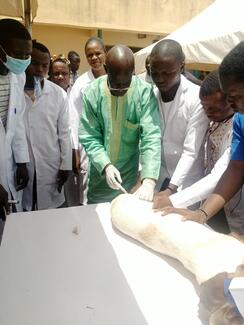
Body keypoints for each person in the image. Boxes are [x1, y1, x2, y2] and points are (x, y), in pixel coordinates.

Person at [158, 41, 244, 235]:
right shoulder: (241, 120)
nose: (232, 104)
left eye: (235, 96)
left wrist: (175, 198)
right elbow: (235, 168)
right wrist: (202, 214)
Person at [79, 45, 161, 204]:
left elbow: (150, 137)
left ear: (133, 73)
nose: (120, 91)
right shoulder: (92, 93)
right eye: (116, 85)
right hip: (100, 179)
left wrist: (149, 179)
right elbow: (89, 137)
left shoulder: (144, 93)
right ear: (106, 70)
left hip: (129, 181)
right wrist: (106, 165)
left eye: (125, 85)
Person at [150, 39, 209, 197]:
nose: (160, 79)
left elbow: (190, 151)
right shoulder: (150, 95)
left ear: (181, 66)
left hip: (185, 183)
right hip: (158, 178)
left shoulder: (196, 98)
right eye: (154, 73)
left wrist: (171, 189)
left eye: (166, 73)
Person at [22, 41, 72, 211]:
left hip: (51, 165)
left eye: (44, 65)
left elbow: (65, 133)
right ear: (26, 61)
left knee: (50, 213)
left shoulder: (58, 95)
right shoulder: (16, 91)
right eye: (34, 64)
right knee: (25, 210)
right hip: (23, 164)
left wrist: (66, 166)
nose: (40, 69)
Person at [0, 18, 31, 224]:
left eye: (26, 55)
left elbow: (17, 120)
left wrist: (22, 161)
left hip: (7, 160)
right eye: (17, 54)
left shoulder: (17, 77)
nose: (23, 60)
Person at [69, 37, 107, 204]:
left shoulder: (115, 77)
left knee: (110, 186)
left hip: (112, 142)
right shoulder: (81, 83)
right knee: (87, 191)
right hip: (88, 144)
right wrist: (75, 150)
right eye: (89, 55)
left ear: (105, 53)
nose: (94, 58)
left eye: (97, 53)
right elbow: (73, 117)